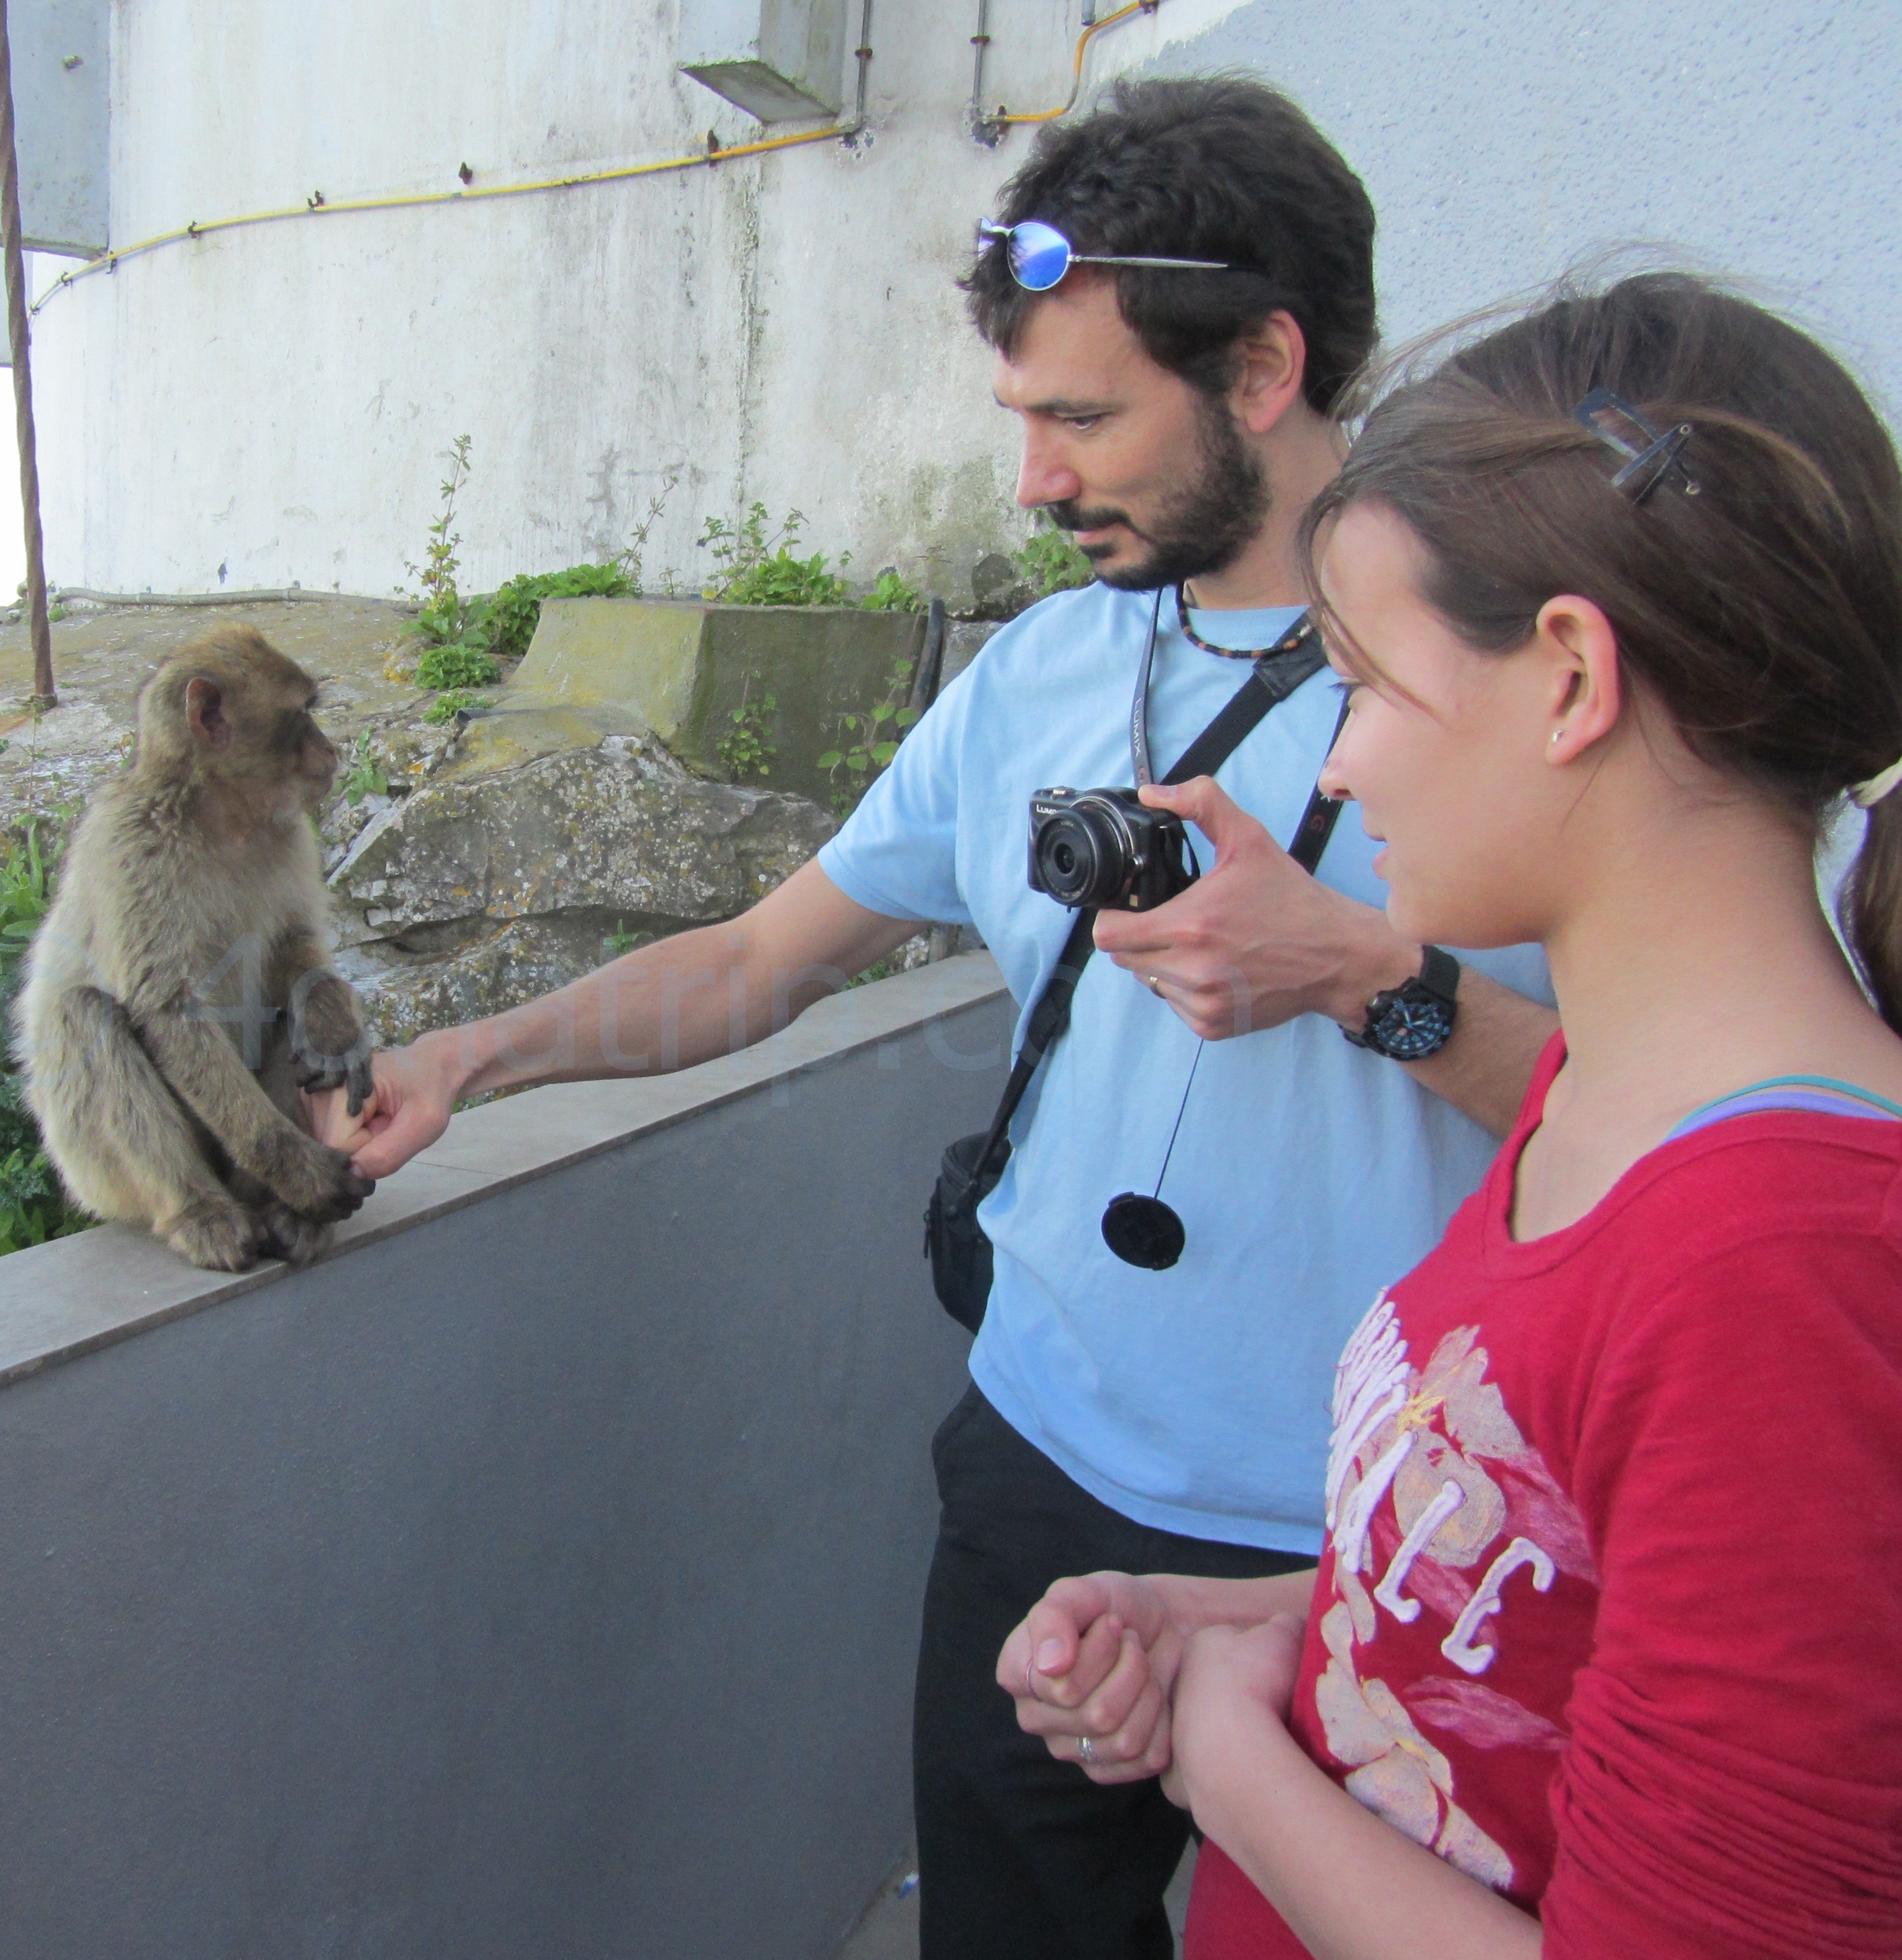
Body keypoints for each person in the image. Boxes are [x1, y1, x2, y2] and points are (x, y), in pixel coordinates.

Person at [344, 77, 1556, 1958]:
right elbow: (762, 958)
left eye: (1082, 419)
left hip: (1388, 1545)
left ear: (1260, 369)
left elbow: (1659, 1128)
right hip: (1037, 1476)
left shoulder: (1505, 690)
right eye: (1024, 419)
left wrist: (1360, 978)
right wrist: (463, 1059)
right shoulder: (1037, 677)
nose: (1035, 483)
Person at [1000, 270, 1902, 1958]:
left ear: (1568, 674)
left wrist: (1225, 1754)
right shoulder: (1608, 1095)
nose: (1338, 767)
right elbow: (1555, 1608)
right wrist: (1245, 1622)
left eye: (1363, 684)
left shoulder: (1790, 1269)